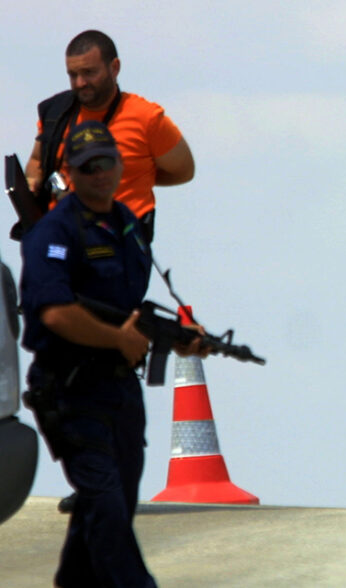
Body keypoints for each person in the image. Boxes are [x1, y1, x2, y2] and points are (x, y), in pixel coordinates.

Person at [20, 121, 201, 586]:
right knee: (106, 503)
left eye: (106, 163)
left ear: (121, 166)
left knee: (113, 500)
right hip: (71, 389)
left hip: (120, 389)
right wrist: (118, 339)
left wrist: (177, 334)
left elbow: (128, 309)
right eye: (88, 167)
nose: (99, 174)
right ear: (71, 173)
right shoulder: (55, 232)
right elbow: (55, 312)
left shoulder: (128, 224)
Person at [25, 29, 194, 244]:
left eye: (89, 72)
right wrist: (32, 182)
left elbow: (183, 170)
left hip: (123, 242)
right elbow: (37, 161)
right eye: (73, 75)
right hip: (62, 238)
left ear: (114, 68)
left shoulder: (146, 118)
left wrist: (137, 175)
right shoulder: (56, 113)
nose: (80, 82)